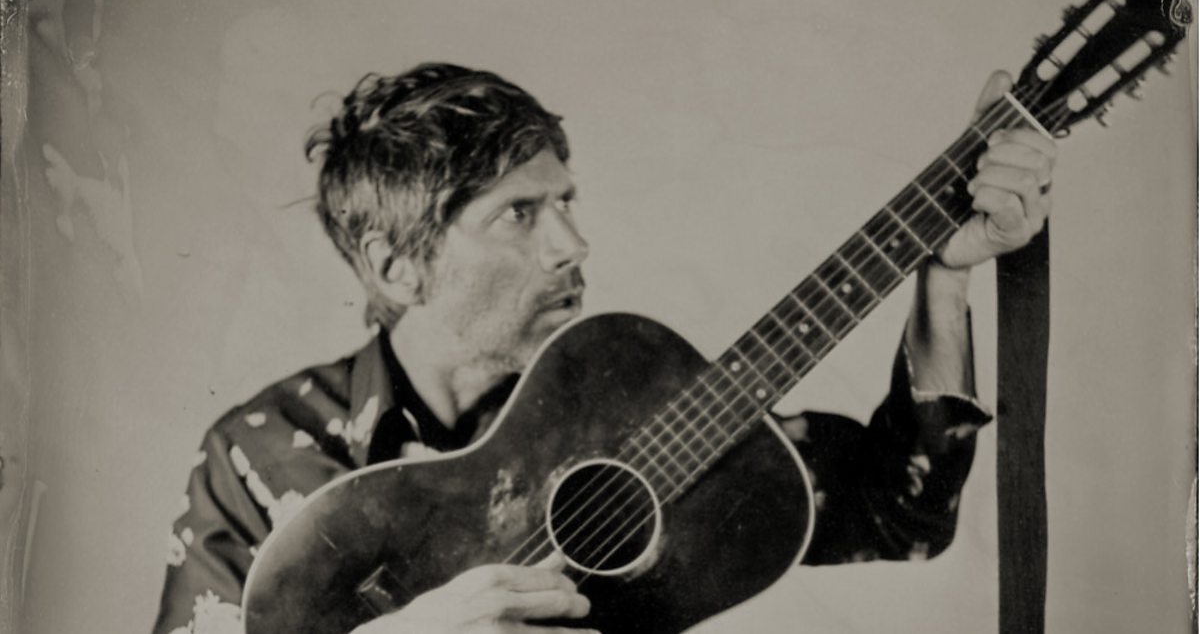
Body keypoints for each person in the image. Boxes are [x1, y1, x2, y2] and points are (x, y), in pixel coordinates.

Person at [151, 62, 1055, 634]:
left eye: (567, 203)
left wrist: (944, 277)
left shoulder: (615, 399)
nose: (573, 244)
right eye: (520, 213)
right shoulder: (259, 454)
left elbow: (900, 516)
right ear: (398, 265)